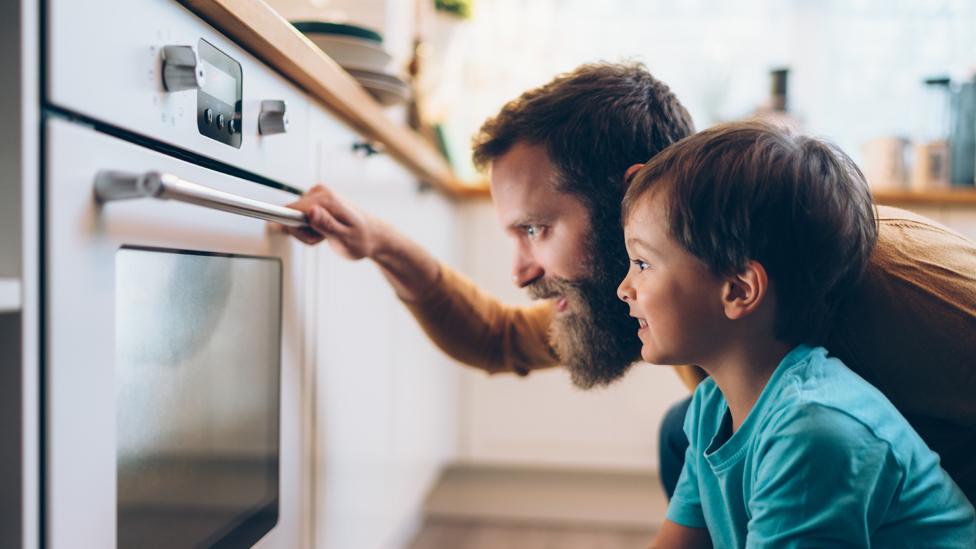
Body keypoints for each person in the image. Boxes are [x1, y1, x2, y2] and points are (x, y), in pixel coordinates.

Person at [281, 62, 976, 504]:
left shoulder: (883, 282)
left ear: (631, 193)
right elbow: (496, 338)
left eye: (536, 229)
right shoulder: (669, 289)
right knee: (694, 433)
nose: (523, 269)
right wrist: (378, 242)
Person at [617, 120, 975, 547]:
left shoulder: (812, 432)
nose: (624, 289)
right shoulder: (712, 406)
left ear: (738, 290)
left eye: (642, 264)